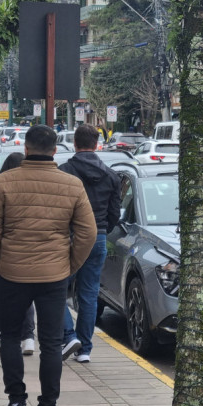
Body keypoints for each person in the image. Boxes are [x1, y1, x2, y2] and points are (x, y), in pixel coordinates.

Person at [0, 125, 96, 406]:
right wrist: (70, 264)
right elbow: (88, 232)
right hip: (54, 274)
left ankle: (16, 403)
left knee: (9, 337)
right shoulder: (72, 185)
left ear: (27, 149)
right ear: (56, 150)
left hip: (11, 273)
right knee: (50, 343)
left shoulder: (1, 183)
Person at [59, 125, 120, 363]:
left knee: (55, 291)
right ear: (97, 145)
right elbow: (115, 213)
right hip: (98, 236)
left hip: (70, 236)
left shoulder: (64, 172)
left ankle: (69, 335)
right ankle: (85, 349)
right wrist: (102, 229)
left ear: (74, 143)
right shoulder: (111, 175)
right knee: (89, 293)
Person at [0, 152, 37, 355]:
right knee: (27, 296)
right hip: (28, 248)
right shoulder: (31, 188)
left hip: (1, 249)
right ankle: (28, 337)